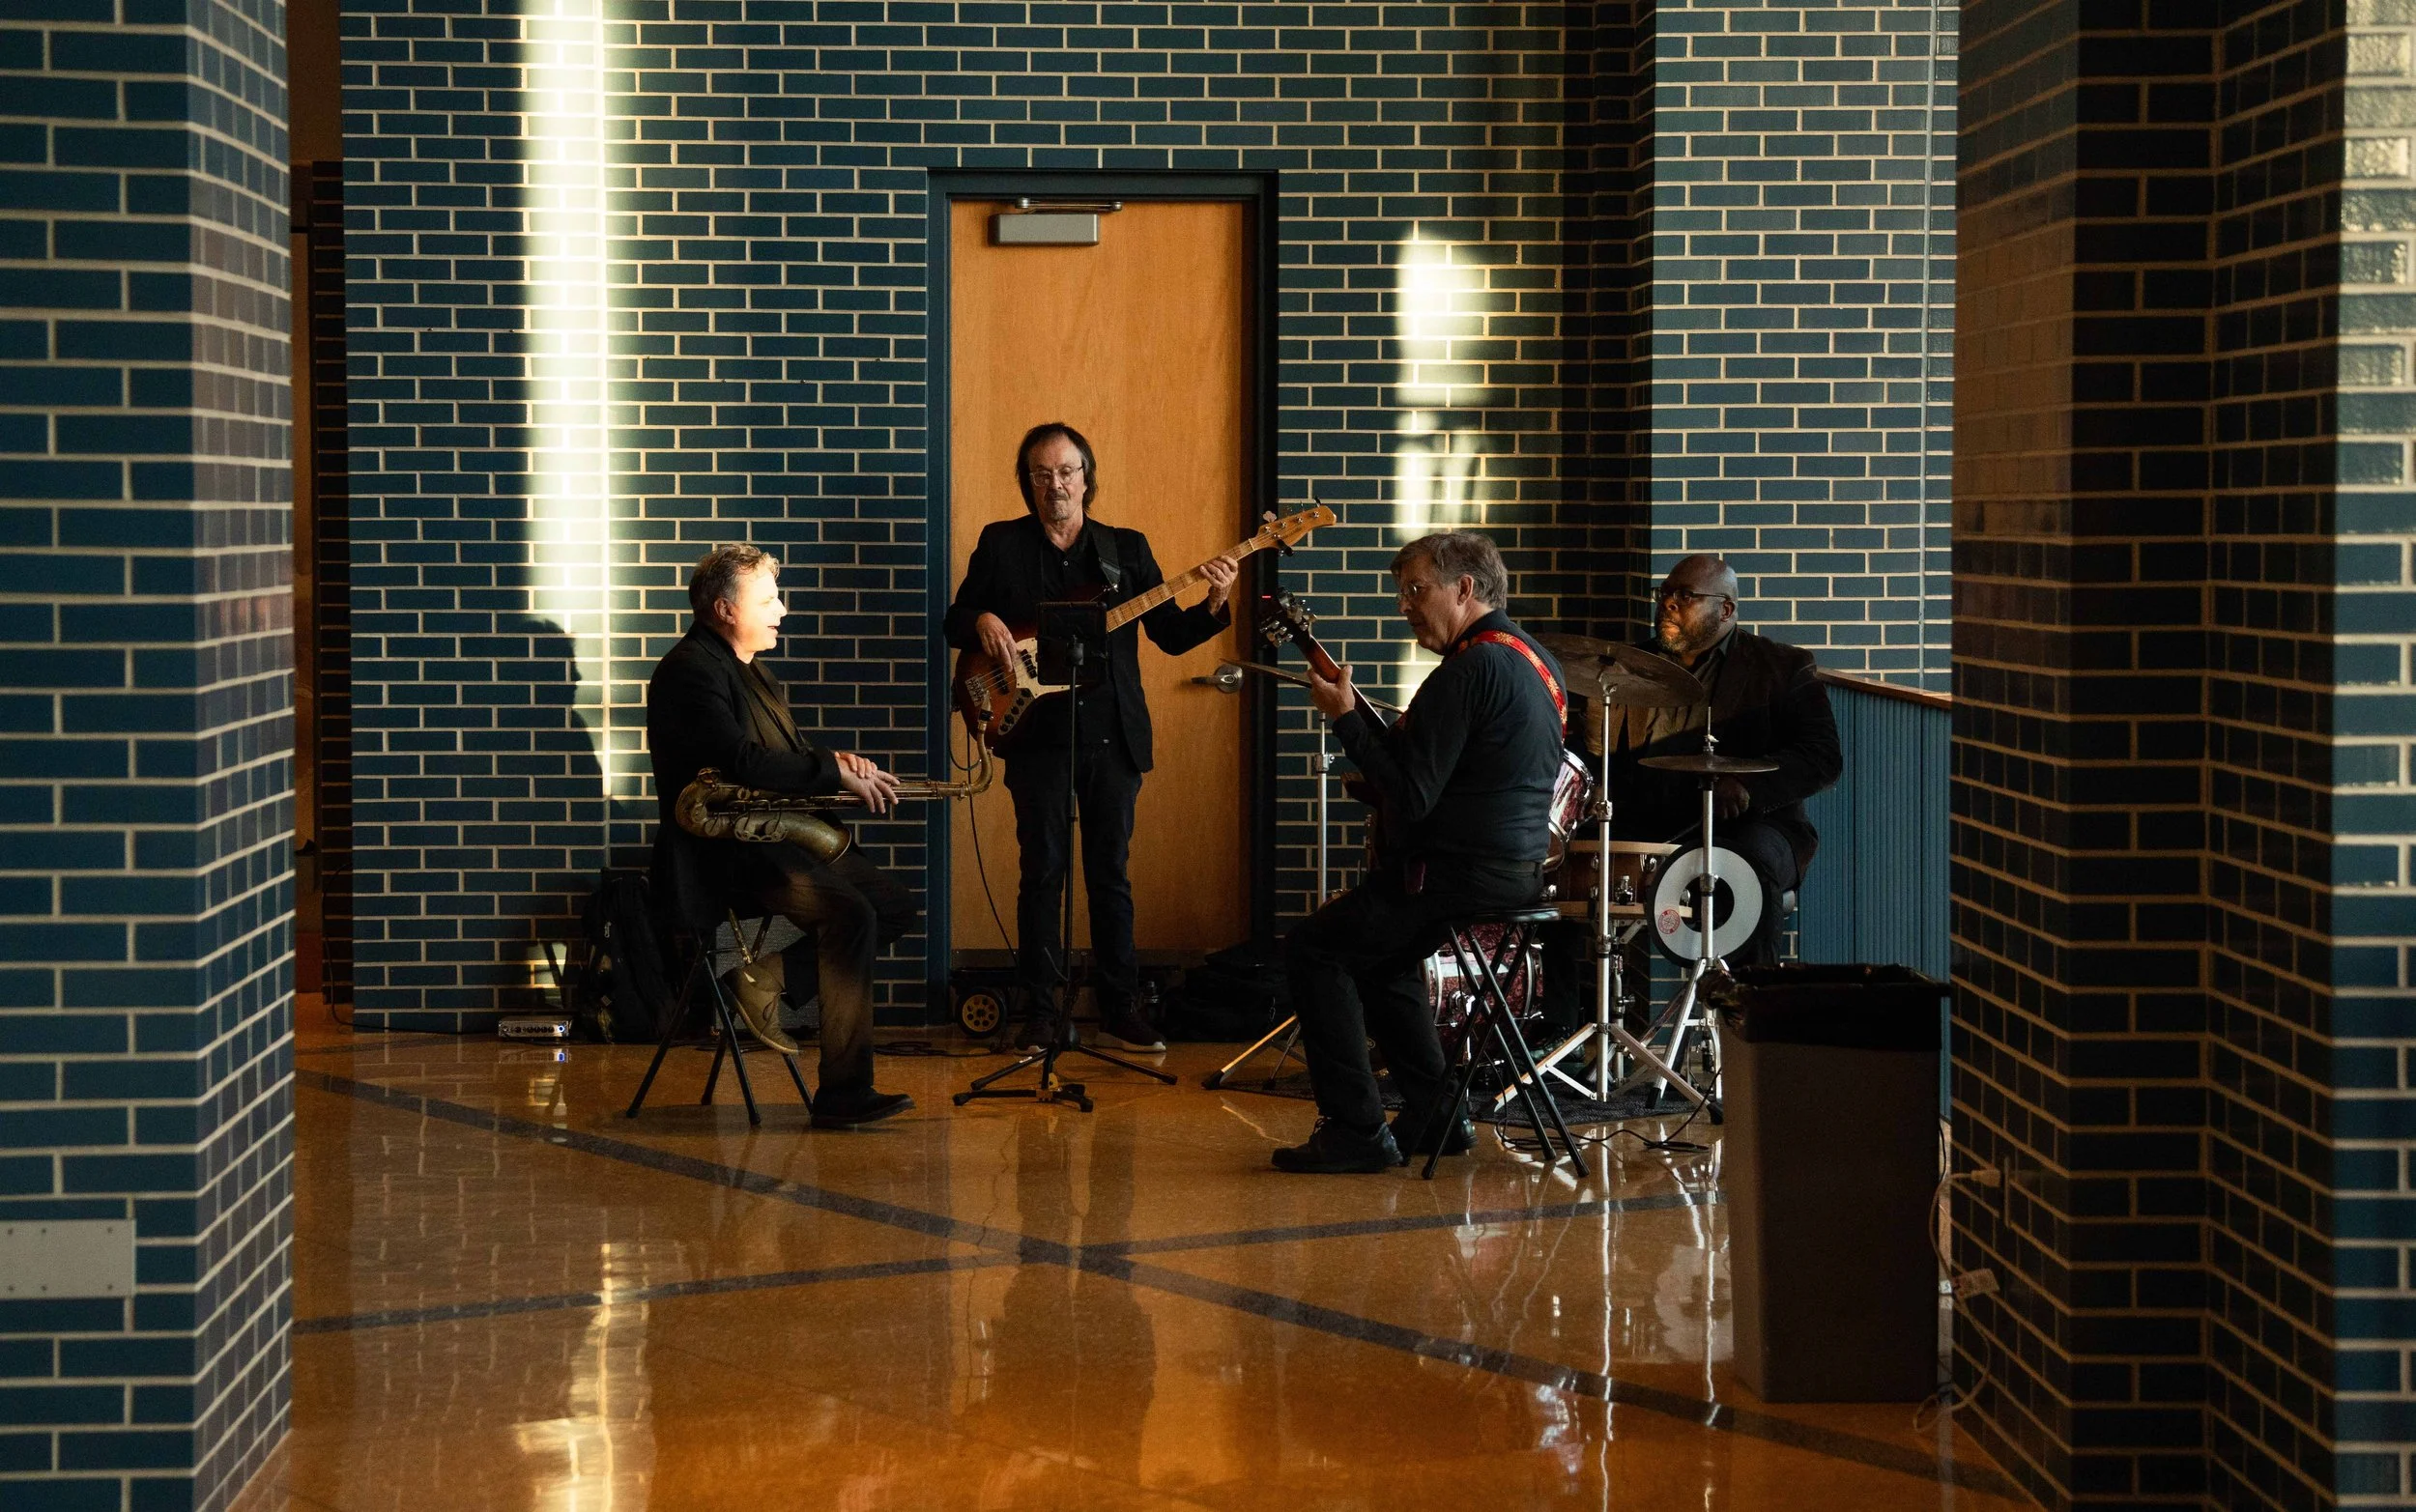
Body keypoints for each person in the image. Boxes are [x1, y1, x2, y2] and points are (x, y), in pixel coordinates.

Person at [1273, 530, 1570, 1174]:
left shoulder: (1468, 670)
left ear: (1464, 588)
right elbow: (1437, 772)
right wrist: (1362, 725)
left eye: (1416, 589)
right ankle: (1438, 1115)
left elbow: (1409, 795)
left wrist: (1345, 719)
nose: (1405, 605)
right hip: (1516, 873)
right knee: (1384, 959)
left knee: (1315, 948)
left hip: (1454, 874)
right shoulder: (1536, 661)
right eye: (1401, 592)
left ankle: (1354, 1130)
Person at [943, 421, 1237, 1052]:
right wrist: (982, 618)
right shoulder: (1001, 543)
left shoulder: (1125, 549)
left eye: (1066, 471)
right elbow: (953, 620)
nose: (1056, 485)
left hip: (1112, 735)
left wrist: (1216, 600)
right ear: (1028, 483)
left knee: (1110, 875)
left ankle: (1120, 1009)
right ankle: (1041, 1012)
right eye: (1042, 474)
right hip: (1033, 731)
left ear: (1086, 477)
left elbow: (1170, 635)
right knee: (1041, 872)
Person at [647, 543, 920, 1128]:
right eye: (768, 600)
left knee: (893, 907)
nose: (783, 610)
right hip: (725, 852)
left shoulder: (752, 672)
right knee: (853, 915)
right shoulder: (689, 670)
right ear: (725, 609)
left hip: (771, 839)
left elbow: (780, 758)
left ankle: (762, 977)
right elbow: (743, 763)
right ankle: (844, 1093)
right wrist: (831, 772)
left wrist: (837, 763)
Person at [1609, 553, 1841, 964]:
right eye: (1665, 593)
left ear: (1726, 610)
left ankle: (1748, 998)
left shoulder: (1782, 666)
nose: (1668, 603)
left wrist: (1749, 785)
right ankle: (1557, 1004)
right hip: (1652, 824)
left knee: (1746, 865)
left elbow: (1822, 756)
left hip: (1752, 826)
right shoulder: (1628, 667)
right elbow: (1599, 757)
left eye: (1685, 595)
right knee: (1552, 861)